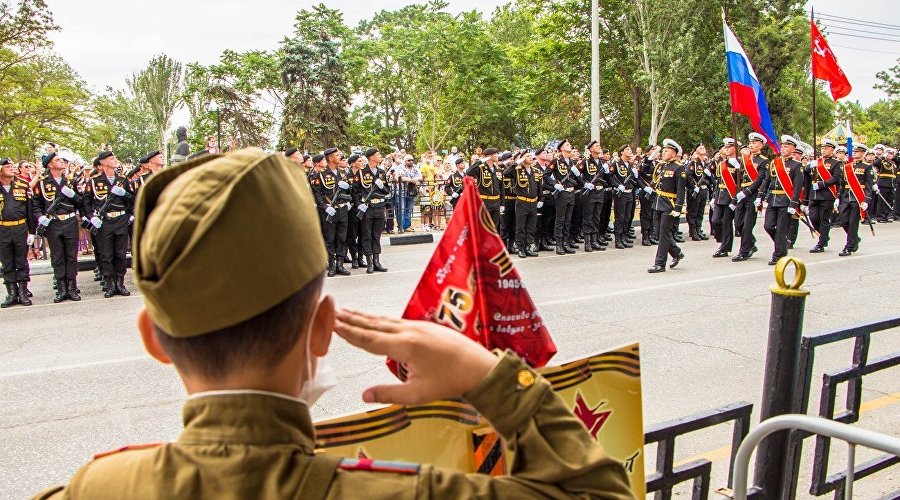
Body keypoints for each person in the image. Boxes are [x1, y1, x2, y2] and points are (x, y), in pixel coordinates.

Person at [34, 148, 633, 499]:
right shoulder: (400, 491)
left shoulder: (98, 488)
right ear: (324, 328)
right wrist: (494, 379)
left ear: (153, 340)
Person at [33, 150, 83, 302]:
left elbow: (81, 202)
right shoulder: (42, 184)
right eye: (58, 160)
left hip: (69, 221)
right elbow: (36, 205)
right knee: (58, 256)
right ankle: (62, 288)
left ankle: (72, 288)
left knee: (71, 256)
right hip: (53, 223)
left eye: (62, 160)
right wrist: (41, 218)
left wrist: (73, 195)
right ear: (50, 164)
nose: (62, 162)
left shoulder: (70, 181)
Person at [83, 150, 134, 297]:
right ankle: (110, 284)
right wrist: (92, 217)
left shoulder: (123, 180)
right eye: (111, 158)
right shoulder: (94, 181)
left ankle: (120, 282)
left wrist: (125, 196)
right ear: (103, 162)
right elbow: (86, 203)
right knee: (106, 254)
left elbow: (132, 199)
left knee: (120, 254)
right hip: (104, 222)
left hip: (120, 220)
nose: (115, 160)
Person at [761, 135, 805, 265]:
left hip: (786, 200)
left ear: (793, 149)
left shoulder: (797, 165)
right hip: (773, 198)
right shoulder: (774, 163)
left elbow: (797, 186)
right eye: (782, 146)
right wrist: (760, 195)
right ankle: (783, 243)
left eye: (786, 146)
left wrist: (794, 203)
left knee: (781, 228)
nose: (783, 148)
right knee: (768, 226)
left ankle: (778, 254)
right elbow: (767, 180)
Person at [311, 148, 353, 277]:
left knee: (342, 238)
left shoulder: (343, 173)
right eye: (337, 155)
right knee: (330, 238)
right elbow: (317, 193)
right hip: (330, 211)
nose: (340, 157)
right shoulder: (321, 174)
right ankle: (332, 265)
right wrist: (324, 207)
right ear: (330, 158)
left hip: (342, 210)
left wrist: (347, 191)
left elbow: (350, 191)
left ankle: (340, 264)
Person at [647, 139, 686, 273]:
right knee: (658, 233)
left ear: (674, 153)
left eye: (666, 151)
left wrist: (678, 208)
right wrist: (654, 154)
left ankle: (660, 263)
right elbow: (646, 168)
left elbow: (681, 190)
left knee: (663, 234)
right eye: (662, 150)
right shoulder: (661, 165)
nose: (663, 153)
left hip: (669, 204)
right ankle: (676, 252)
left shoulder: (678, 167)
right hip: (658, 202)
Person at [1, 157, 35, 307]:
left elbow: (30, 210)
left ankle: (23, 291)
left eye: (11, 165)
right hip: (2, 229)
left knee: (21, 261)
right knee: (7, 262)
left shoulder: (23, 185)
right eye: (6, 166)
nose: (10, 167)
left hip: (20, 228)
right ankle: (11, 293)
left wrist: (32, 232)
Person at [730, 133, 770, 261]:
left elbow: (760, 180)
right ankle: (751, 244)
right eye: (750, 143)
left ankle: (744, 251)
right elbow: (739, 178)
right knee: (738, 223)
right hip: (742, 194)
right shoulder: (743, 159)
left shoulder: (763, 161)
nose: (751, 145)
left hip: (752, 194)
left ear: (761, 145)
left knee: (747, 225)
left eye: (755, 143)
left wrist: (750, 192)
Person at [803, 139, 842, 253]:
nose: (824, 150)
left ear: (832, 150)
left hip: (827, 194)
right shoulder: (817, 162)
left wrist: (821, 184)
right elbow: (805, 173)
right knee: (814, 218)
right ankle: (824, 236)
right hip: (814, 195)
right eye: (822, 148)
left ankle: (821, 243)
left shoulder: (836, 163)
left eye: (826, 148)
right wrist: (809, 166)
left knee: (823, 219)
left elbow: (835, 178)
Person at [355, 148, 390, 274]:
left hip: (379, 206)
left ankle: (376, 261)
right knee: (366, 235)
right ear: (371, 157)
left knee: (376, 235)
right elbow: (355, 191)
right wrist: (359, 204)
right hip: (367, 208)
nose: (380, 156)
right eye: (378, 154)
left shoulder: (381, 172)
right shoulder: (361, 173)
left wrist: (382, 186)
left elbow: (387, 191)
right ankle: (369, 261)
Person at [836, 145, 875, 256]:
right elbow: (842, 184)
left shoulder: (867, 167)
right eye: (854, 151)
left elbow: (868, 185)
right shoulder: (847, 166)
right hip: (846, 196)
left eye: (857, 151)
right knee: (843, 221)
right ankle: (854, 238)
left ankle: (849, 246)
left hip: (858, 197)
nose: (855, 153)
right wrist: (838, 198)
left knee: (853, 223)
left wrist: (866, 200)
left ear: (863, 153)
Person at [549, 140, 581, 254]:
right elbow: (546, 175)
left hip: (571, 193)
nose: (570, 146)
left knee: (568, 220)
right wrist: (555, 184)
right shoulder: (556, 162)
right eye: (567, 145)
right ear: (561, 149)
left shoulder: (571, 163)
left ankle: (566, 243)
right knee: (560, 220)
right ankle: (558, 244)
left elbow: (578, 180)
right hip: (562, 194)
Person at [509, 151, 542, 258]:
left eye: (530, 156)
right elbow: (506, 173)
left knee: (531, 227)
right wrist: (516, 163)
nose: (530, 157)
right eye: (527, 156)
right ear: (522, 159)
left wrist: (541, 199)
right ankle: (521, 248)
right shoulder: (517, 170)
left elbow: (539, 186)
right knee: (520, 227)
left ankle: (528, 246)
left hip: (533, 202)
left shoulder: (535, 171)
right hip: (522, 202)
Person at [711, 138, 739, 258]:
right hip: (720, 195)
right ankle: (723, 243)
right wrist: (714, 197)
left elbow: (740, 183)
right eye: (725, 147)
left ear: (735, 149)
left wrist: (735, 199)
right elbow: (718, 181)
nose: (726, 149)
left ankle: (725, 247)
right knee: (715, 221)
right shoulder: (722, 164)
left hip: (730, 196)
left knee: (727, 223)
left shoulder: (739, 163)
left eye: (729, 147)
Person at [466, 148, 503, 231]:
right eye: (495, 154)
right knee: (484, 226)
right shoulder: (480, 168)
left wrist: (502, 203)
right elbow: (469, 172)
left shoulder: (498, 170)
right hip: (485, 201)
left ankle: (493, 244)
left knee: (495, 227)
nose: (497, 156)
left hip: (496, 202)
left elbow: (502, 188)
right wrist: (480, 161)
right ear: (489, 156)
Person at [581, 140, 608, 252]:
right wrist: (585, 184)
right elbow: (576, 176)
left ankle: (594, 240)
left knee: (597, 217)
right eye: (597, 146)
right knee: (588, 217)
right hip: (590, 193)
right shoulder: (585, 162)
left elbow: (607, 178)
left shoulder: (602, 162)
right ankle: (587, 242)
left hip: (600, 192)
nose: (599, 147)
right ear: (591, 149)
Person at [608, 145, 637, 250]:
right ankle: (618, 239)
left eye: (630, 149)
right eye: (627, 150)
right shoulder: (616, 163)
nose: (630, 151)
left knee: (627, 216)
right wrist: (617, 185)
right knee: (620, 217)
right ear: (621, 152)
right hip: (620, 193)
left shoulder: (629, 164)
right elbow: (610, 177)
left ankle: (624, 237)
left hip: (629, 193)